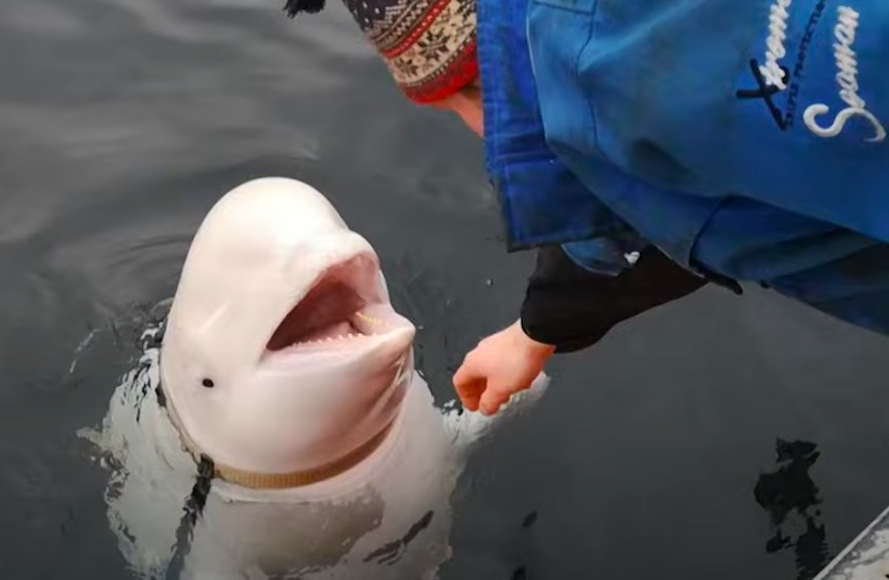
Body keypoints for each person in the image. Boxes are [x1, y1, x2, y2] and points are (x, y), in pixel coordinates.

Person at [282, 0, 889, 415]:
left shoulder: (602, 87)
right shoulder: (620, 59)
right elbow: (668, 207)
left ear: (469, 86)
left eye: (456, 114)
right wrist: (536, 331)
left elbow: (653, 207)